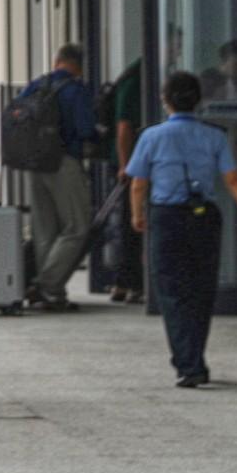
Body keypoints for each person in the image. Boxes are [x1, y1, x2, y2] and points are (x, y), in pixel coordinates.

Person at [125, 69, 237, 389]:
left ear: (165, 101)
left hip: (167, 216)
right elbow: (233, 179)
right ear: (199, 101)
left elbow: (138, 183)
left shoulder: (151, 137)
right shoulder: (214, 136)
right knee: (201, 290)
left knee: (171, 291)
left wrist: (137, 215)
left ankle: (189, 364)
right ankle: (194, 356)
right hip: (204, 217)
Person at [21, 44, 100, 311]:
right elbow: (85, 128)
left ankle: (50, 293)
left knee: (45, 229)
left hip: (34, 163)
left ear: (57, 61)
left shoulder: (35, 86)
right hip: (64, 162)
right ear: (78, 66)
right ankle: (48, 285)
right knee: (77, 227)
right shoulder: (75, 89)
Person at [104, 55, 147, 303]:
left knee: (129, 223)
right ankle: (128, 281)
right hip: (131, 162)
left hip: (134, 160)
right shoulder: (135, 80)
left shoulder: (136, 77)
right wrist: (125, 165)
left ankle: (125, 281)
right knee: (131, 223)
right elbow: (124, 127)